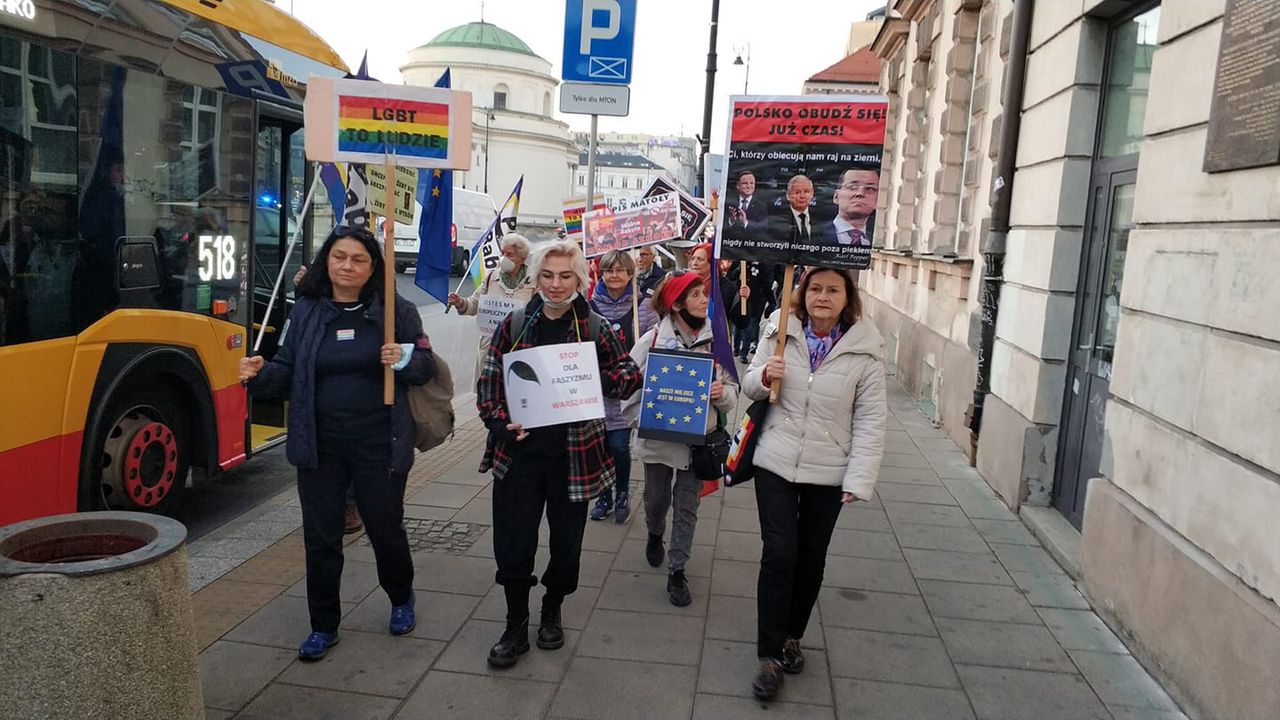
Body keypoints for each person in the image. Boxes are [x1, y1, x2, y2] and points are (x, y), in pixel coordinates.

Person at [239, 226, 435, 661]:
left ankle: (401, 597)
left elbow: (424, 367)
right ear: (327, 260)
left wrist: (403, 358)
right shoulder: (306, 311)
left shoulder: (394, 311)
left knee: (385, 529)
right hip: (319, 445)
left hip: (379, 444)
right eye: (339, 257)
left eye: (359, 259)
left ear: (373, 267)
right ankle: (323, 624)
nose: (348, 266)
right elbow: (286, 369)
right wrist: (260, 373)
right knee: (321, 537)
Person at [476, 240, 642, 669]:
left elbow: (627, 377)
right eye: (547, 275)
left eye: (565, 275)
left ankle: (552, 608)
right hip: (518, 458)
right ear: (536, 277)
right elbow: (489, 384)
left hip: (576, 459)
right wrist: (499, 423)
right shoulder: (514, 324)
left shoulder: (596, 327)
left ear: (580, 278)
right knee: (513, 544)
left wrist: (599, 378)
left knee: (567, 547)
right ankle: (516, 623)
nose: (555, 284)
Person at [741, 268, 887, 701]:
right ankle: (769, 655)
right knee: (780, 554)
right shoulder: (781, 329)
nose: (822, 297)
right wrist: (766, 373)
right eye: (815, 289)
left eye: (833, 290)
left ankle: (792, 636)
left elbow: (871, 420)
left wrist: (860, 477)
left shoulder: (864, 350)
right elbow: (749, 383)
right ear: (803, 294)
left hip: (830, 468)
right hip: (775, 460)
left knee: (811, 559)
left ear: (848, 297)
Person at [626, 271, 737, 607]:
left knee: (687, 506)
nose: (705, 300)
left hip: (698, 443)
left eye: (705, 293)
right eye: (696, 295)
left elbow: (733, 393)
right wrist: (644, 405)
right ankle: (655, 531)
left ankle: (677, 570)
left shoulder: (719, 341)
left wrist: (720, 395)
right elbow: (626, 393)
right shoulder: (650, 342)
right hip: (660, 442)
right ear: (676, 304)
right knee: (657, 500)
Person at [588, 250, 660, 523]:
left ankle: (621, 492)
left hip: (625, 391)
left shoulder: (644, 306)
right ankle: (603, 494)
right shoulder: (590, 306)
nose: (614, 275)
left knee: (619, 445)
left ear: (631, 274)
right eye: (608, 270)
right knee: (600, 446)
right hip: (596, 388)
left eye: (620, 270)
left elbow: (654, 343)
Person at [447, 233, 535, 373]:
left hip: (520, 346)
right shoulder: (491, 277)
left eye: (510, 254)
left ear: (522, 258)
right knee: (489, 390)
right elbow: (474, 305)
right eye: (502, 253)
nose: (504, 258)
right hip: (491, 346)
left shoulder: (534, 281)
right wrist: (459, 302)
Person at [821, 166, 879, 251]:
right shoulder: (812, 236)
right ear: (836, 197)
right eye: (852, 187)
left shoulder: (878, 241)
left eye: (870, 189)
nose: (860, 193)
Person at [769, 175, 816, 245]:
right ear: (788, 195)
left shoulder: (821, 218)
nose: (802, 196)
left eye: (806, 191)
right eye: (797, 192)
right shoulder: (777, 221)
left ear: (812, 194)